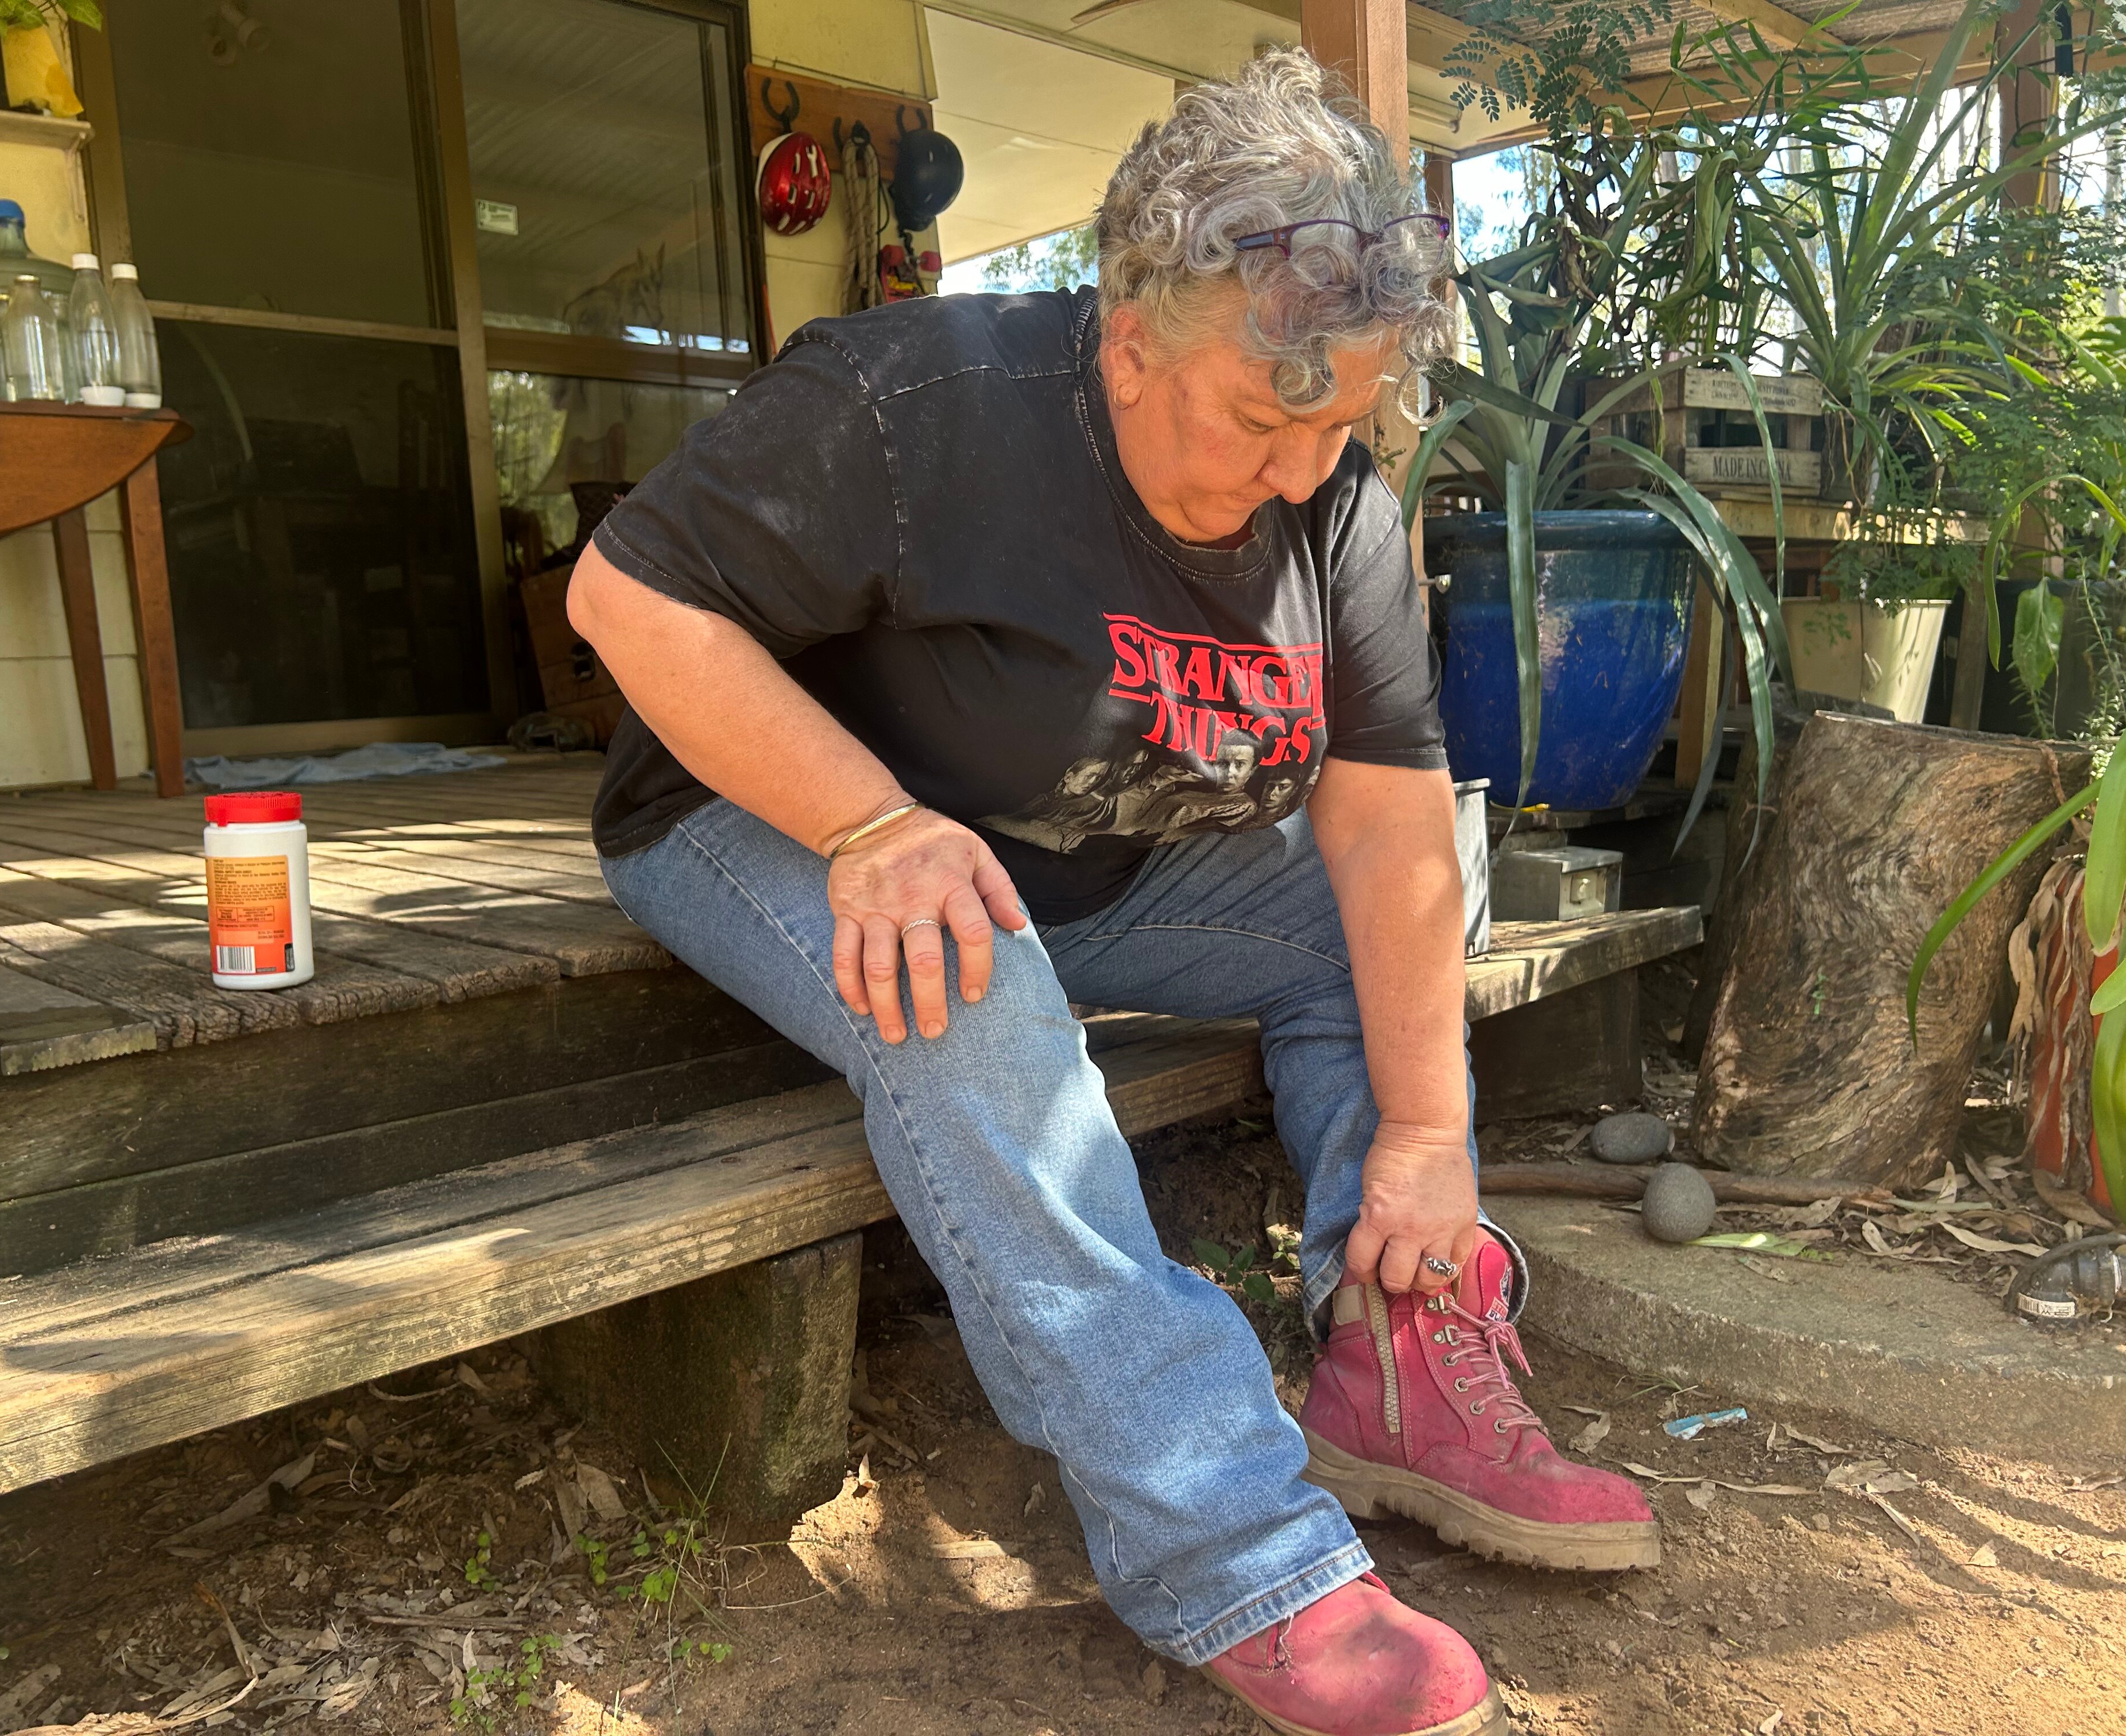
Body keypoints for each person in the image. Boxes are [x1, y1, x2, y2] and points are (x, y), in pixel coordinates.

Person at [568, 49, 1655, 1736]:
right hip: (760, 819)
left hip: (1094, 858)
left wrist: (1429, 1144)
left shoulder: (1337, 506)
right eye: (1260, 420)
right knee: (960, 961)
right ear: (1129, 337)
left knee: (1394, 938)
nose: (1303, 474)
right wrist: (867, 826)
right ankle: (1236, 1555)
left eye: (1341, 424)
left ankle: (1396, 1347)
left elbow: (1382, 835)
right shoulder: (910, 405)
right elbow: (629, 604)